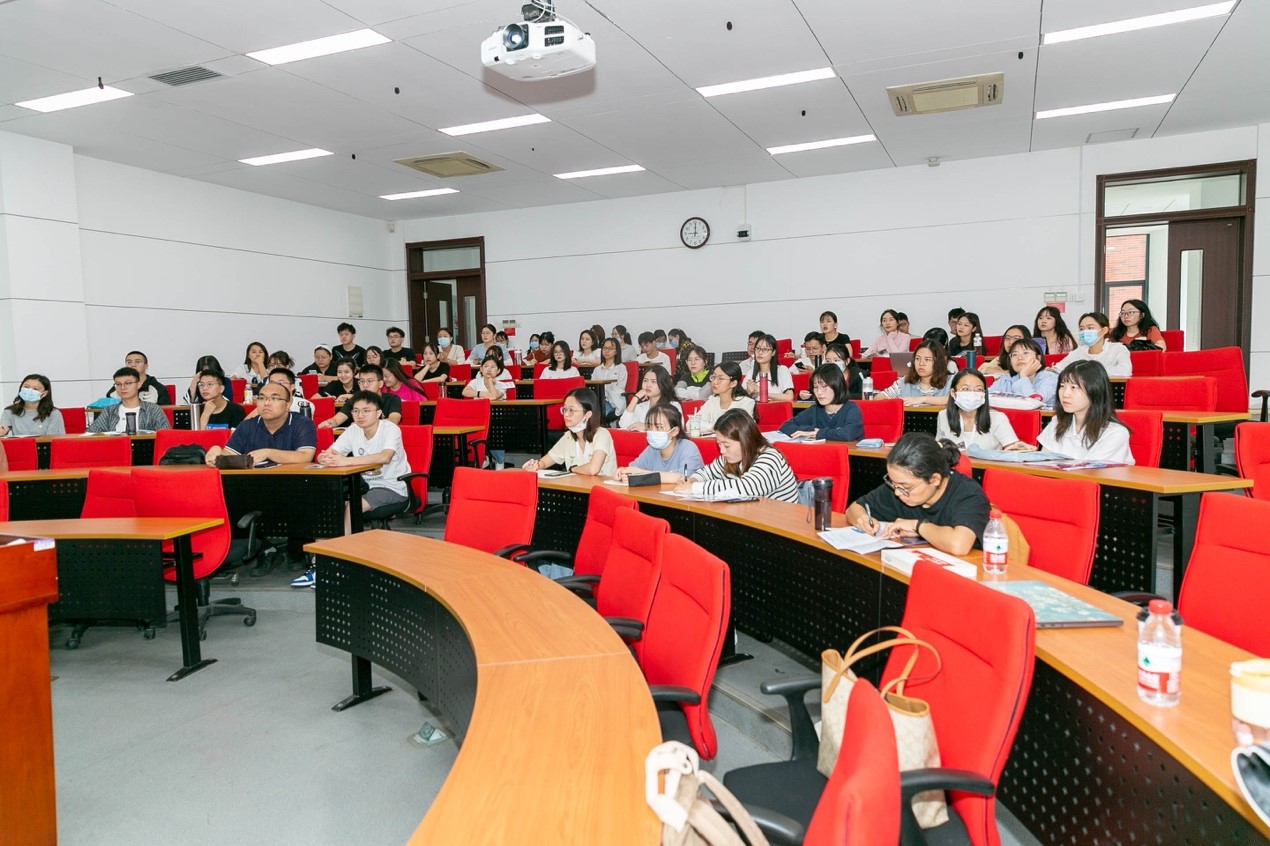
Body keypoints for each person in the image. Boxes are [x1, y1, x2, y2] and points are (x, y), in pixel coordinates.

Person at [845, 433, 990, 555]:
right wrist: (862, 519)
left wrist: (918, 526)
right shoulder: (898, 487)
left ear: (934, 479)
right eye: (893, 483)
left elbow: (958, 545)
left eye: (906, 487)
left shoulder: (967, 493)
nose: (897, 492)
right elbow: (854, 508)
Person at [317, 390, 412, 533]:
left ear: (378, 413)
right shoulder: (354, 429)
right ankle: (323, 545)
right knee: (327, 500)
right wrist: (324, 457)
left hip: (391, 487)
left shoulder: (390, 429)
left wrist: (346, 461)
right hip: (362, 486)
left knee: (353, 506)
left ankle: (345, 545)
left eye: (366, 411)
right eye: (355, 411)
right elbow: (332, 452)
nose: (360, 415)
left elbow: (385, 457)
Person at [675, 410, 799, 502]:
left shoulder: (770, 458)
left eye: (726, 445)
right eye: (719, 444)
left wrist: (695, 488)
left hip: (780, 524)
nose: (722, 451)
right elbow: (707, 472)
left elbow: (746, 488)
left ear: (745, 441)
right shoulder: (731, 457)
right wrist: (693, 480)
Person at [1037, 361, 1134, 463]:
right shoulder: (1057, 423)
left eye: (1073, 387)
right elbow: (1042, 464)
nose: (1065, 394)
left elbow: (1092, 470)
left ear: (1095, 390)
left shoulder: (1115, 433)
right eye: (1062, 386)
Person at [205, 381, 316, 468]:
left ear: (287, 405)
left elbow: (305, 456)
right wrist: (217, 452)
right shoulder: (246, 426)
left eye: (274, 398)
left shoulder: (302, 423)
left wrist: (268, 453)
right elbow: (230, 453)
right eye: (261, 398)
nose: (266, 403)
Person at [522, 388, 616, 476]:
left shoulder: (602, 434)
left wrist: (572, 469)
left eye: (571, 410)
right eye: (565, 409)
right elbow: (545, 461)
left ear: (588, 414)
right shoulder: (568, 437)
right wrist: (536, 465)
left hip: (602, 487)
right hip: (579, 486)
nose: (566, 415)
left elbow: (593, 469)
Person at [937, 369, 1031, 451]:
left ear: (984, 394)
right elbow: (938, 450)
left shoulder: (998, 418)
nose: (972, 394)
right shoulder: (943, 416)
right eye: (965, 389)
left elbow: (1012, 448)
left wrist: (1019, 450)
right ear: (953, 393)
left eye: (978, 389)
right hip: (953, 466)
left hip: (988, 466)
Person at [614, 404, 705, 484]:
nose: (653, 431)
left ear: (675, 431)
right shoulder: (652, 449)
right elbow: (634, 469)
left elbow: (684, 478)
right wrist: (624, 472)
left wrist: (642, 474)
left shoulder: (688, 448)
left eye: (659, 427)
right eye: (650, 426)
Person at [778, 364, 864, 441]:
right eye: (816, 387)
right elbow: (786, 427)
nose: (819, 392)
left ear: (837, 385)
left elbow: (848, 434)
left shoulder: (851, 409)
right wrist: (811, 430)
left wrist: (819, 433)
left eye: (824, 386)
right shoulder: (815, 410)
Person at [88, 367, 171, 433]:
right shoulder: (109, 411)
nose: (122, 387)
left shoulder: (153, 409)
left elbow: (165, 436)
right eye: (118, 384)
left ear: (138, 385)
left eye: (127, 383)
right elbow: (91, 434)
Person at [319, 365, 402, 429]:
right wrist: (328, 423)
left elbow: (393, 420)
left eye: (370, 381)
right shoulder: (355, 400)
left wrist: (365, 423)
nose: (365, 385)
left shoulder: (392, 399)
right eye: (362, 381)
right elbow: (337, 420)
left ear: (380, 384)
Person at [1053, 312, 1131, 377]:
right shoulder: (1078, 352)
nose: (1085, 332)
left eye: (1090, 328)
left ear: (1104, 330)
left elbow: (1125, 371)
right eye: (1081, 329)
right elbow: (1058, 369)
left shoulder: (1118, 349)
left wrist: (1088, 371)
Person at [989, 338, 1058, 406]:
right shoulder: (1005, 380)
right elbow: (986, 398)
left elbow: (1034, 402)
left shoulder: (1051, 378)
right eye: (1015, 354)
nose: (1019, 358)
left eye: (1025, 353)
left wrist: (1023, 375)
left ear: (1038, 358)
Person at [880, 340, 950, 406]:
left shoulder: (951, 381)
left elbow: (954, 399)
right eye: (917, 358)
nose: (921, 363)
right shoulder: (905, 381)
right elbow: (880, 396)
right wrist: (891, 401)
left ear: (938, 362)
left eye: (927, 360)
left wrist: (923, 399)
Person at [698, 362, 756, 433]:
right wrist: (713, 427)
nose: (714, 382)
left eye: (720, 378)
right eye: (713, 377)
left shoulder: (746, 402)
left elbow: (737, 428)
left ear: (733, 383)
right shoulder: (712, 401)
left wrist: (714, 427)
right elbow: (692, 423)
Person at [619, 365, 681, 430]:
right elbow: (623, 425)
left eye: (653, 381)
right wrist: (635, 398)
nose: (648, 385)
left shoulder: (673, 406)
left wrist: (647, 426)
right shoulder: (641, 407)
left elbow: (676, 429)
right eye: (645, 380)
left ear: (663, 384)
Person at [0, 374, 65, 437]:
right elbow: (2, 430)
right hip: (19, 444)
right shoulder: (9, 411)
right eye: (26, 387)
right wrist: (2, 431)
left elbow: (55, 439)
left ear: (44, 394)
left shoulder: (53, 413)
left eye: (35, 389)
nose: (30, 391)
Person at [243, 368, 312, 419]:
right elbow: (244, 425)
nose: (276, 386)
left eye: (281, 383)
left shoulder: (305, 405)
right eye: (272, 383)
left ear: (292, 387)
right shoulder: (265, 404)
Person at [743, 333, 794, 401]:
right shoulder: (751, 372)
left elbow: (789, 397)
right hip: (756, 407)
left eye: (765, 349)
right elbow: (741, 398)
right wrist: (748, 392)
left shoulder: (782, 370)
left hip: (776, 406)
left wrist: (763, 392)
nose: (760, 352)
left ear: (773, 352)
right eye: (758, 348)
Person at [592, 337, 627, 421]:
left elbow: (620, 388)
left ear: (616, 351)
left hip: (613, 401)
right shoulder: (597, 369)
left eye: (610, 348)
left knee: (597, 415)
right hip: (598, 401)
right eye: (605, 348)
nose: (607, 351)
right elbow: (593, 387)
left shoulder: (621, 368)